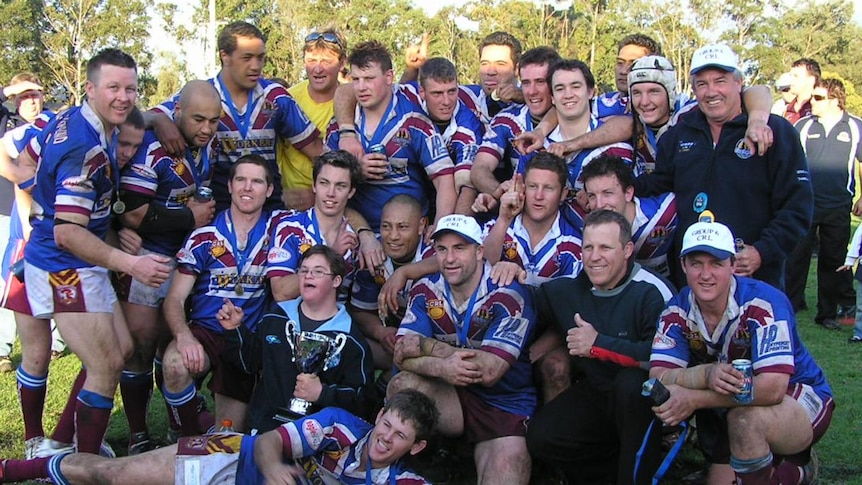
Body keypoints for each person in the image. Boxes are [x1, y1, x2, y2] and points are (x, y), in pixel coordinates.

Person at [22, 49, 171, 456]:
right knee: (105, 365)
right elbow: (68, 233)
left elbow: (24, 164)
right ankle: (82, 463)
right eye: (113, 88)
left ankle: (61, 443)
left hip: (81, 262)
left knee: (119, 352)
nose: (124, 97)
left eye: (131, 88)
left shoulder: (74, 117)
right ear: (90, 88)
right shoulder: (83, 149)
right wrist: (131, 263)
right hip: (64, 267)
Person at [650, 221, 833, 485]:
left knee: (745, 421)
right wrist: (705, 373)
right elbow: (660, 374)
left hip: (799, 394)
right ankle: (797, 468)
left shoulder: (765, 303)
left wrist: (693, 398)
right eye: (696, 263)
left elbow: (772, 388)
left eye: (716, 263)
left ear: (733, 266)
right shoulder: (676, 311)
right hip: (733, 404)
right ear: (683, 265)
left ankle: (789, 449)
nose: (706, 274)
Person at [635, 43, 812, 290]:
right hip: (693, 281)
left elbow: (797, 206)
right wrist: (615, 184)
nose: (711, 91)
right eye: (702, 83)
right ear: (694, 88)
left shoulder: (775, 132)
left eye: (720, 81)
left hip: (753, 278)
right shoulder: (678, 136)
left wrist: (762, 251)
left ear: (739, 83)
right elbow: (659, 184)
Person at [0, 389, 439, 485]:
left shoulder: (402, 482)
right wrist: (272, 469)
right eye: (386, 425)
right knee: (116, 476)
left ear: (415, 448)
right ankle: (21, 469)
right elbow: (269, 443)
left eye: (400, 437)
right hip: (232, 453)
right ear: (378, 416)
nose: (385, 439)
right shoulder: (340, 425)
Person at [526, 209, 674, 484]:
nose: (594, 257)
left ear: (628, 249)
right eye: (588, 247)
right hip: (597, 394)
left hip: (646, 401)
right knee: (542, 436)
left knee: (631, 384)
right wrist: (508, 273)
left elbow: (661, 361)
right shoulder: (566, 291)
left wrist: (598, 345)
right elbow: (526, 305)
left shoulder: (651, 292)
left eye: (605, 247)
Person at [388, 214, 538, 484]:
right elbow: (400, 353)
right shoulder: (424, 290)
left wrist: (425, 346)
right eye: (442, 249)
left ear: (480, 252)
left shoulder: (508, 292)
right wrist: (442, 368)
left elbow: (489, 370)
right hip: (452, 398)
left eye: (460, 248)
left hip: (504, 405)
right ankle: (428, 458)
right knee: (402, 384)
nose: (449, 258)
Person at [114, 80, 221, 453]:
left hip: (185, 261)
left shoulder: (208, 144)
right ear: (177, 112)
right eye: (198, 119)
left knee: (167, 346)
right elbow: (133, 212)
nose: (206, 128)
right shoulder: (152, 144)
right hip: (147, 258)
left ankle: (179, 424)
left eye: (213, 120)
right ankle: (138, 435)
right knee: (140, 347)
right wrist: (187, 217)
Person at [147, 21, 324, 212]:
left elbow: (316, 150)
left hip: (269, 206)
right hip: (219, 207)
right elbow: (137, 118)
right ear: (225, 56)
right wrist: (158, 120)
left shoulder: (276, 96)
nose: (256, 66)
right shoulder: (202, 94)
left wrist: (318, 192)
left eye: (260, 58)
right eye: (247, 58)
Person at [160, 154, 274, 436]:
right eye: (241, 180)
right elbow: (174, 298)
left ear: (269, 190)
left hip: (246, 340)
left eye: (257, 181)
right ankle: (185, 434)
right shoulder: (204, 236)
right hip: (206, 331)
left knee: (229, 437)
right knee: (174, 365)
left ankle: (215, 432)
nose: (248, 188)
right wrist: (184, 336)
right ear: (230, 186)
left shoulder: (279, 233)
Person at [221, 244, 375, 433]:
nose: (308, 276)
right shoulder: (276, 317)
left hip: (318, 440)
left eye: (318, 272)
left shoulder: (351, 340)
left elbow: (364, 402)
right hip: (266, 430)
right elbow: (249, 363)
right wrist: (235, 330)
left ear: (336, 281)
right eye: (304, 270)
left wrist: (323, 394)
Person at [327, 40, 456, 232]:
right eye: (356, 79)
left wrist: (440, 226)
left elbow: (445, 180)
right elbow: (323, 180)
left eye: (369, 78)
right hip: (356, 230)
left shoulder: (414, 120)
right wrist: (354, 172)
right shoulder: (340, 122)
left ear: (389, 77)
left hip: (409, 233)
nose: (361, 87)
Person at [785, 77, 861, 327]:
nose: (812, 102)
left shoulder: (855, 127)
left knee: (833, 260)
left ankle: (827, 314)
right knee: (796, 257)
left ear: (835, 100)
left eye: (818, 98)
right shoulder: (804, 125)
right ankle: (789, 306)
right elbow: (788, 162)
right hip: (804, 202)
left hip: (838, 205)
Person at [350, 194, 431, 372]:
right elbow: (360, 311)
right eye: (386, 226)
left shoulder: (434, 250)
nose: (393, 236)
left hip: (435, 343)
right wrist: (381, 332)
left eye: (402, 227)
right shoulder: (372, 254)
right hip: (394, 342)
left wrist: (405, 272)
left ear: (421, 226)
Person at [267, 150, 361, 303]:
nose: (331, 193)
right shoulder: (290, 228)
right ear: (314, 186)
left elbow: (356, 307)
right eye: (324, 183)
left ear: (351, 192)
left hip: (336, 323)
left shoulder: (357, 240)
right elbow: (281, 292)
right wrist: (333, 255)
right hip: (292, 324)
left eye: (340, 186)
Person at [469, 47, 562, 201]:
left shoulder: (575, 116)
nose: (532, 91)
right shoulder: (507, 119)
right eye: (526, 83)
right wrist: (499, 190)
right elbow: (480, 169)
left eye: (540, 82)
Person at [279, 28, 348, 210]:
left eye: (326, 61)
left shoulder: (354, 103)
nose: (317, 69)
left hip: (338, 204)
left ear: (342, 63)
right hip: (291, 206)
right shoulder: (287, 99)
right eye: (311, 61)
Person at [582, 155, 677, 276]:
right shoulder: (587, 228)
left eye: (607, 193)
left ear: (628, 193)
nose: (599, 205)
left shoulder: (666, 210)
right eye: (592, 196)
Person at [594, 33, 662, 120]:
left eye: (633, 64)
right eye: (620, 63)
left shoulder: (674, 106)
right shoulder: (599, 102)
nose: (623, 71)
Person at [784, 58, 821, 125]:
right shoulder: (785, 109)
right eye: (790, 76)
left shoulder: (819, 107)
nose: (791, 80)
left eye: (796, 76)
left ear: (811, 80)